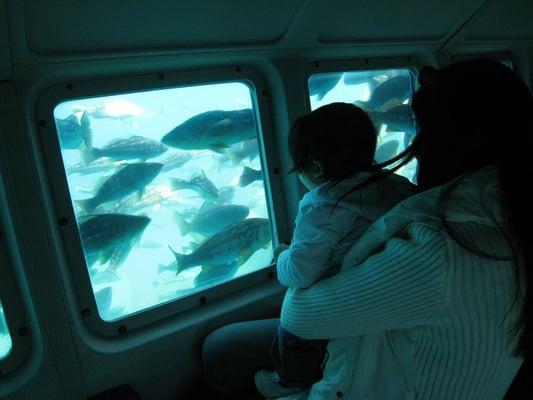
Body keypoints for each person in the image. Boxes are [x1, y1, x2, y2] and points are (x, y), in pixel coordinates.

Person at [202, 58, 531, 399]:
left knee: (220, 352)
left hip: (369, 376)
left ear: (455, 141)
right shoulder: (508, 212)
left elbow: (299, 315)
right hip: (385, 344)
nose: (417, 148)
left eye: (423, 130)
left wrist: (289, 258)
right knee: (224, 347)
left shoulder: (440, 250)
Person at [254, 102, 415, 398]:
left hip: (332, 301)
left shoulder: (322, 205)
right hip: (371, 292)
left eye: (298, 167)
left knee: (290, 335)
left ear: (315, 167)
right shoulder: (396, 186)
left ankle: (289, 382)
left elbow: (301, 272)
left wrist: (282, 257)